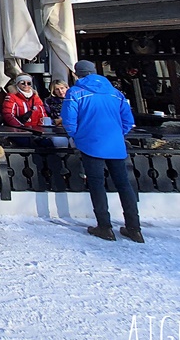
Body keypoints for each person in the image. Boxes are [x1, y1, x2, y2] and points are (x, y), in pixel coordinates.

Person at [61, 60, 144, 243]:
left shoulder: (75, 93)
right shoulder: (115, 93)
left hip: (90, 143)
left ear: (77, 74)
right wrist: (115, 134)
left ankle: (105, 227)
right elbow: (128, 121)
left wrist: (77, 136)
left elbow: (69, 120)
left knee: (97, 184)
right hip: (115, 144)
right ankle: (134, 228)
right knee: (124, 185)